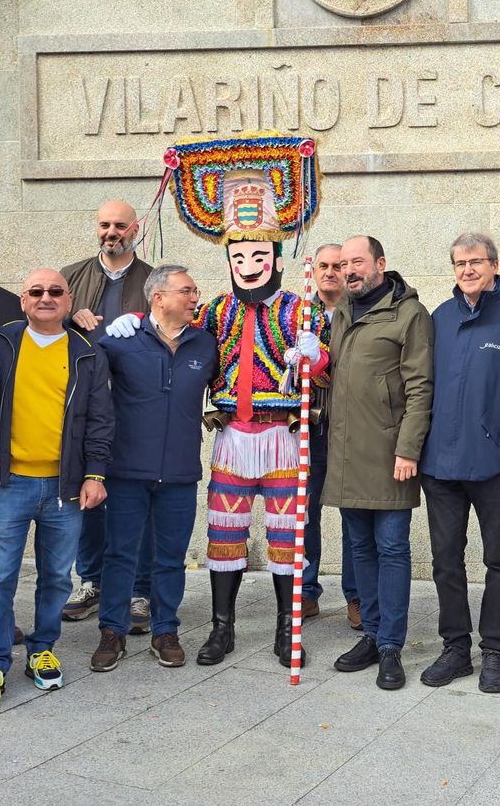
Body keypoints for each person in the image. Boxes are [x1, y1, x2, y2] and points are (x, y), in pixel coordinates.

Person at [115, 137, 328, 670]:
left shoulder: (302, 309)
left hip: (284, 437)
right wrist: (134, 322)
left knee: (286, 538)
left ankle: (287, 628)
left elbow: (325, 363)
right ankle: (222, 628)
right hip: (232, 436)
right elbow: (171, 329)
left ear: (277, 256)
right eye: (239, 256)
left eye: (259, 254)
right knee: (225, 535)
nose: (249, 264)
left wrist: (315, 355)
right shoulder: (211, 310)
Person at [0, 269, 114, 711]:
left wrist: (95, 474)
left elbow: (101, 419)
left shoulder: (87, 351)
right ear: (24, 301)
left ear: (69, 301)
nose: (45, 298)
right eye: (36, 292)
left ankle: (42, 649)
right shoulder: (1, 342)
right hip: (6, 483)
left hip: (64, 488)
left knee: (54, 578)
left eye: (55, 292)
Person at [419, 232, 500, 694]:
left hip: (495, 466)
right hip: (440, 466)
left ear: (494, 265)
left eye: (476, 262)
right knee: (445, 562)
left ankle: (494, 650)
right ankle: (455, 648)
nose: (468, 270)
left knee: (498, 561)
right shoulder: (440, 317)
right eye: (460, 263)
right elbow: (424, 387)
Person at [89, 265, 217, 672]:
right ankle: (112, 631)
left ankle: (166, 630)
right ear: (158, 298)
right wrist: (107, 328)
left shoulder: (205, 344)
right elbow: (83, 373)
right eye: (186, 291)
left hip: (180, 473)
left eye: (195, 290)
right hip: (127, 470)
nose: (195, 297)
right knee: (120, 554)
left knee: (170, 557)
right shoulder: (122, 342)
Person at [326, 235, 433, 691]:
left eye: (357, 262)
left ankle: (391, 645)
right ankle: (370, 633)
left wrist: (408, 448)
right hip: (348, 453)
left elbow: (420, 386)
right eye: (344, 263)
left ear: (380, 264)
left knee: (391, 549)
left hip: (391, 455)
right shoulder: (341, 313)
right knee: (360, 549)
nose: (349, 270)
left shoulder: (410, 314)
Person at [60, 199, 156, 632]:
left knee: (138, 498)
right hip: (85, 405)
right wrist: (68, 317)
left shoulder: (154, 279)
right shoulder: (70, 277)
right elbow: (42, 326)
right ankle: (92, 581)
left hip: (137, 407)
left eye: (119, 224)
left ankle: (140, 589)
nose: (111, 231)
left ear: (135, 228)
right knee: (89, 493)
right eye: (104, 224)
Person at [305, 242, 360, 629]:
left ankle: (355, 595)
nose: (329, 272)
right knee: (304, 513)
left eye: (337, 265)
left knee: (352, 514)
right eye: (323, 265)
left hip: (347, 426)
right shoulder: (296, 314)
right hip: (306, 425)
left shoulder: (357, 312)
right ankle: (306, 591)